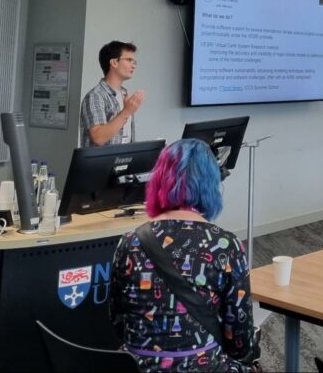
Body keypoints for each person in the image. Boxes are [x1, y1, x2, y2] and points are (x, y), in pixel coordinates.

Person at [109, 139, 258, 372]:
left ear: (158, 181)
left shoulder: (129, 242)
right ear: (211, 185)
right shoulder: (226, 245)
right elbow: (240, 337)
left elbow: (118, 321)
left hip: (136, 367)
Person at [79, 40, 145, 147]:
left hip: (124, 161)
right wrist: (126, 112)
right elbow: (98, 138)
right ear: (114, 62)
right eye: (129, 60)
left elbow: (126, 139)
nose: (134, 66)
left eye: (134, 62)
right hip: (100, 163)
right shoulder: (95, 96)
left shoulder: (125, 94)